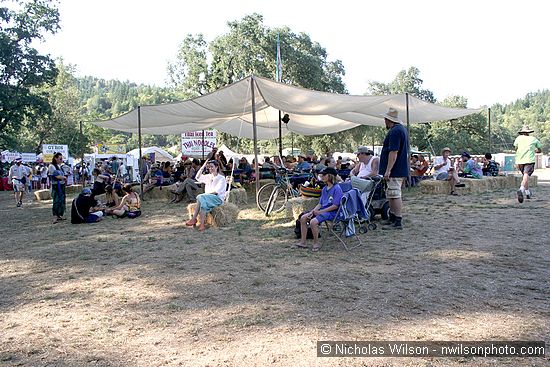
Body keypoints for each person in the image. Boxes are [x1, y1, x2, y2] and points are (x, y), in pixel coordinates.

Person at [294, 167, 343, 252]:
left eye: (324, 175)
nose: (322, 176)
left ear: (330, 176)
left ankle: (316, 243)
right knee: (303, 218)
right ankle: (303, 242)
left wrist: (320, 212)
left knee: (313, 222)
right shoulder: (324, 189)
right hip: (323, 210)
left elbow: (335, 206)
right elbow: (320, 203)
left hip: (333, 212)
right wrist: (313, 211)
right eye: (321, 175)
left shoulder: (337, 188)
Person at [378, 107, 409, 230]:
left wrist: (388, 170)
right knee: (391, 193)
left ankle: (397, 220)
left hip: (395, 169)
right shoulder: (400, 129)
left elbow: (393, 152)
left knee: (395, 194)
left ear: (388, 120)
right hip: (397, 168)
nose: (384, 121)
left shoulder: (395, 131)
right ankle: (393, 217)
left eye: (385, 119)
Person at [185, 160, 227, 231]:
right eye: (209, 167)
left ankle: (194, 219)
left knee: (200, 197)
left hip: (217, 199)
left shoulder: (221, 178)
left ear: (217, 167)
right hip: (207, 197)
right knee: (203, 203)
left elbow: (216, 192)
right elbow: (197, 177)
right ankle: (201, 225)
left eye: (212, 167)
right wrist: (203, 166)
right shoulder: (208, 176)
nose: (210, 168)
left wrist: (204, 196)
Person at [514, 125, 542, 202]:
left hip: (519, 160)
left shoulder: (518, 139)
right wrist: (536, 150)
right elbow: (539, 149)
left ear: (522, 132)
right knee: (526, 176)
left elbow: (515, 148)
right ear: (529, 132)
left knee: (524, 177)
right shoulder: (533, 139)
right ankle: (521, 189)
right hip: (529, 159)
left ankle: (527, 193)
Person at [48, 152, 67, 223]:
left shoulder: (59, 166)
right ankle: (55, 216)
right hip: (56, 186)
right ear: (55, 158)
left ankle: (59, 215)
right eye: (60, 159)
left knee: (62, 200)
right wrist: (63, 177)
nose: (61, 160)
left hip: (61, 185)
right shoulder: (51, 166)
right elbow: (56, 176)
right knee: (56, 201)